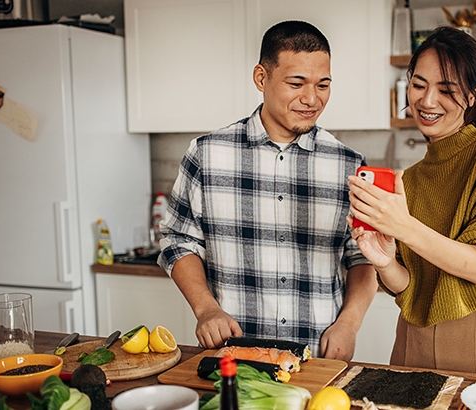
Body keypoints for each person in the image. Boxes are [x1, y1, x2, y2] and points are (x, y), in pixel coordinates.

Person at [158, 20, 378, 361]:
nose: (311, 98)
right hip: (234, 350)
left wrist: (349, 324)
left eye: (323, 85)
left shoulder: (349, 165)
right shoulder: (207, 154)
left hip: (318, 354)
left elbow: (363, 255)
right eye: (296, 83)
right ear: (262, 78)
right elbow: (177, 240)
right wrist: (206, 309)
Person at [347, 26, 476, 377]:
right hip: (413, 340)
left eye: (446, 89)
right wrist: (385, 262)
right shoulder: (412, 178)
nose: (427, 101)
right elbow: (412, 287)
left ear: (473, 94)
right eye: (418, 85)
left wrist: (403, 226)